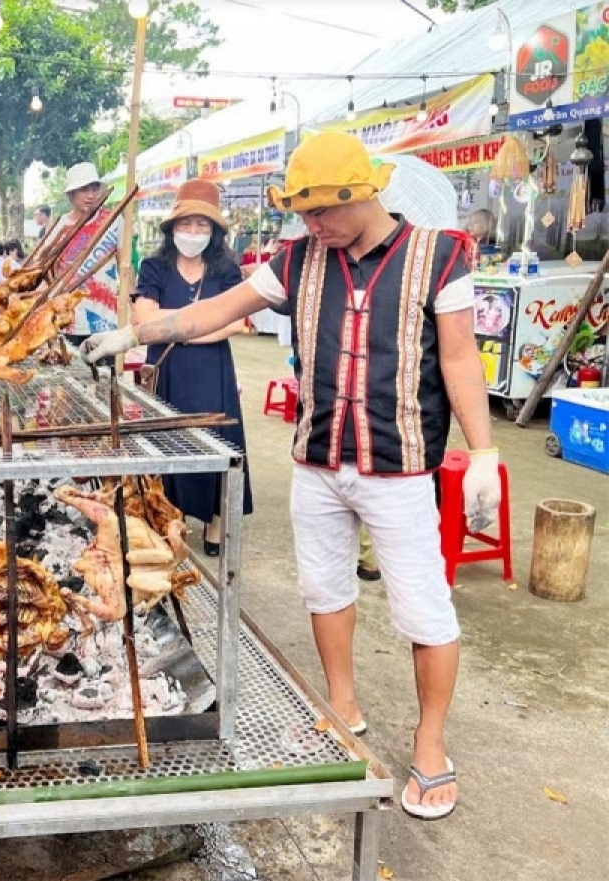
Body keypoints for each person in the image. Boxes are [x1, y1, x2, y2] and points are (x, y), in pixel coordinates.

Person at [80, 131, 501, 822]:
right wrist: (138, 335)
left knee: (424, 605)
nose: (313, 225)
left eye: (323, 211)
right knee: (325, 588)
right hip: (317, 457)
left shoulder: (438, 255)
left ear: (365, 193)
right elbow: (221, 309)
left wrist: (484, 449)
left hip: (399, 465)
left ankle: (430, 743)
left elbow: (458, 359)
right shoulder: (299, 259)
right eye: (302, 212)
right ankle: (343, 705)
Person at [131, 179, 252, 556]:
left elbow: (236, 322)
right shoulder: (154, 267)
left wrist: (175, 329)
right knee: (166, 441)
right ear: (172, 228)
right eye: (186, 224)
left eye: (202, 225)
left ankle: (216, 521)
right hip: (165, 370)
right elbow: (143, 320)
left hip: (210, 370)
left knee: (218, 440)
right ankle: (170, 516)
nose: (194, 232)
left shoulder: (226, 270)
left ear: (214, 231)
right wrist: (204, 324)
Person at [40, 162, 122, 344]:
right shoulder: (58, 227)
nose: (91, 196)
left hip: (107, 319)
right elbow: (48, 275)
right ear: (71, 194)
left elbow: (125, 267)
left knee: (106, 371)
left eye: (94, 189)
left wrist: (131, 304)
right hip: (70, 321)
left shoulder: (113, 221)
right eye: (84, 190)